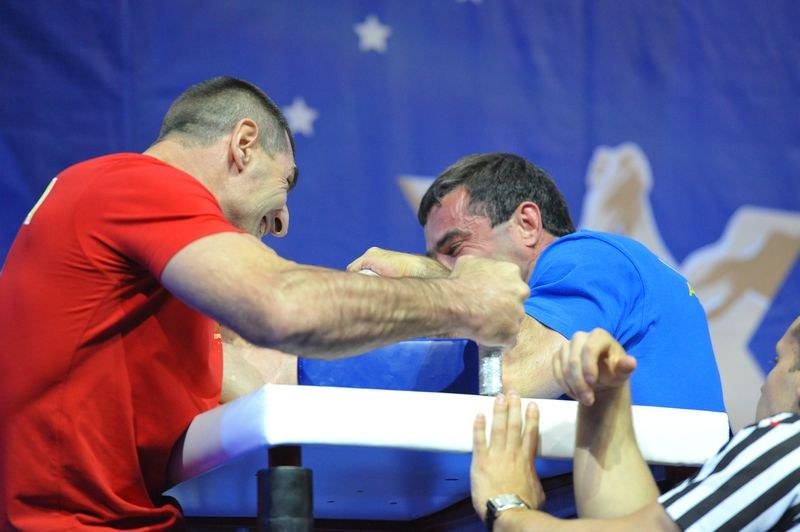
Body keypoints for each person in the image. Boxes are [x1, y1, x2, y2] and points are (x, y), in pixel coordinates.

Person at [0, 77, 530, 530]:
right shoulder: (139, 184)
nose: (283, 222)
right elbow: (287, 308)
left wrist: (420, 277)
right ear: (244, 145)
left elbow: (274, 400)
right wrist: (462, 299)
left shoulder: (152, 290)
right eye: (286, 184)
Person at [348, 152, 725, 412]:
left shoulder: (592, 255)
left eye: (456, 246)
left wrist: (425, 277)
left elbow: (509, 379)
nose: (448, 266)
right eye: (435, 258)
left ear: (527, 224)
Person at [471, 316, 800, 530]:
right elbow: (629, 522)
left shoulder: (789, 447)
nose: (764, 382)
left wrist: (508, 510)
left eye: (776, 361)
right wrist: (604, 400)